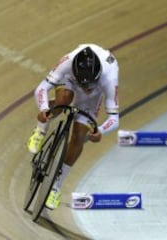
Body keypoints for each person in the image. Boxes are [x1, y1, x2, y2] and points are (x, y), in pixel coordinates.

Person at [27, 43, 120, 210]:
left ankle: (55, 186)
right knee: (63, 101)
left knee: (79, 135)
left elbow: (114, 117)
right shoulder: (68, 63)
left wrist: (100, 131)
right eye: (82, 84)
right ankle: (40, 130)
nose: (84, 88)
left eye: (87, 85)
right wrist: (43, 110)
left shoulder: (109, 77)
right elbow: (42, 88)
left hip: (94, 93)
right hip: (69, 80)